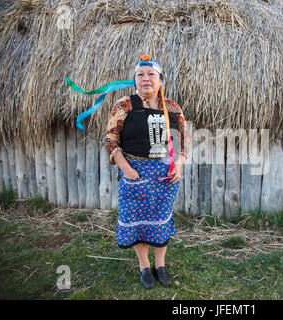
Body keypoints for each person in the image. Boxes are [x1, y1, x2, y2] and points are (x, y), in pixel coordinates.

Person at [104, 54, 191, 289]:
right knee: (137, 221)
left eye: (151, 74)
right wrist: (127, 169)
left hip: (165, 176)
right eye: (140, 74)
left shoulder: (172, 107)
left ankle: (160, 266)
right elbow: (111, 140)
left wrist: (179, 165)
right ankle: (144, 267)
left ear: (160, 79)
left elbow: (185, 139)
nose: (146, 78)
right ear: (134, 80)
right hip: (135, 173)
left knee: (160, 221)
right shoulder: (125, 105)